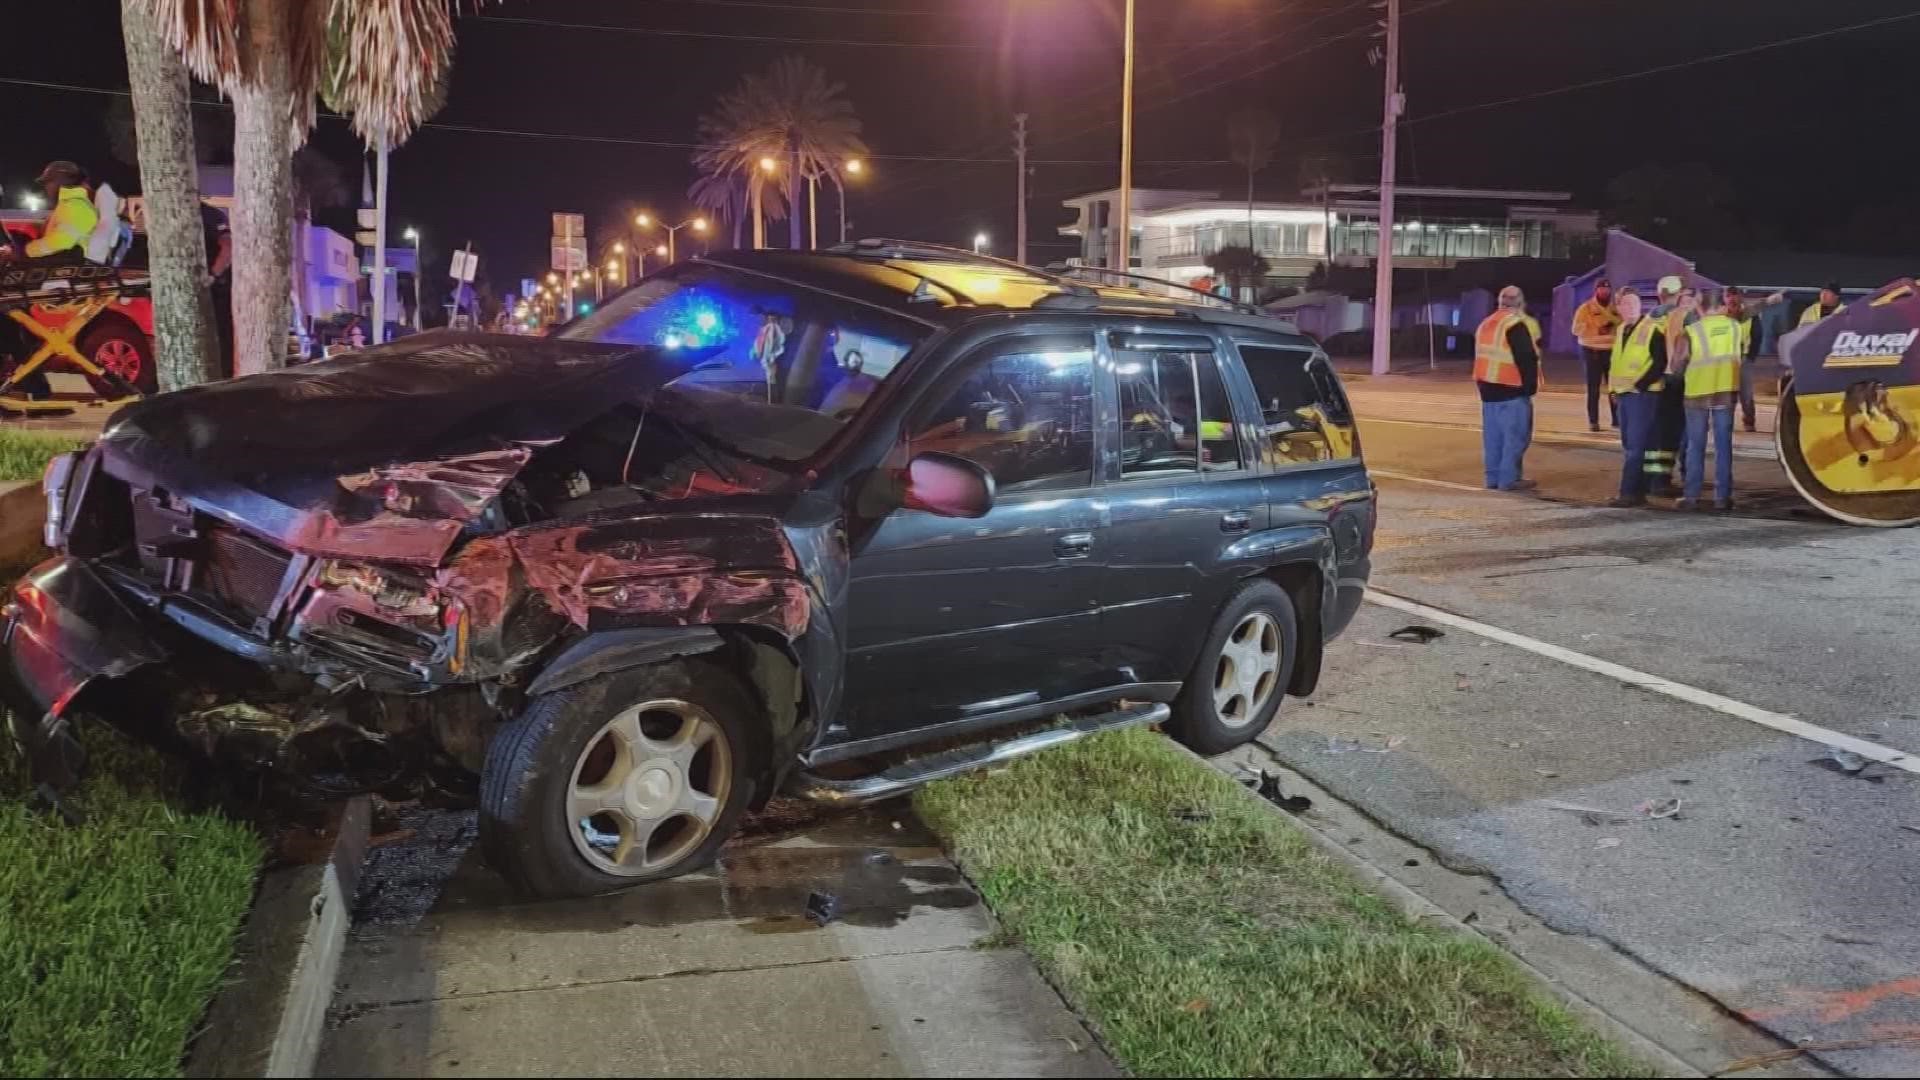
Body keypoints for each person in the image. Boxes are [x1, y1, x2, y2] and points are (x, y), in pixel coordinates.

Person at [1675, 290, 1742, 511]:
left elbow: (1677, 365)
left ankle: (1691, 496)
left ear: (1700, 306)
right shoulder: (1735, 327)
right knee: (1724, 446)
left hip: (1697, 395)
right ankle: (1722, 497)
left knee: (1696, 446)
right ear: (1722, 305)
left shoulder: (1692, 331)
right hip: (1725, 392)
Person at [1472, 285, 1542, 491]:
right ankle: (1509, 479)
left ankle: (1492, 478)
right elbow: (1526, 359)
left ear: (1500, 302)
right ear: (1519, 303)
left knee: (1493, 439)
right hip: (1512, 390)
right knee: (1515, 438)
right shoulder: (1514, 325)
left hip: (1487, 391)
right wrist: (1530, 389)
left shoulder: (1486, 324)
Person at [1606, 288, 1667, 507]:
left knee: (1635, 446)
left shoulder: (1652, 330)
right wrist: (1613, 390)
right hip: (1624, 395)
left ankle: (1628, 493)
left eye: (1634, 304)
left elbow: (1660, 362)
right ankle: (1640, 490)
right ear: (1619, 308)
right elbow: (1616, 363)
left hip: (1643, 395)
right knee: (1632, 444)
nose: (1630, 308)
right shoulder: (1622, 329)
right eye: (1626, 305)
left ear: (1640, 306)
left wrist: (1640, 385)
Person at [1648, 276, 1696, 495]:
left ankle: (1656, 479)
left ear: (1660, 294)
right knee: (1680, 433)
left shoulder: (1647, 318)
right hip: (1679, 380)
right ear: (1678, 294)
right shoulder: (1684, 317)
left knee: (1658, 435)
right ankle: (1684, 477)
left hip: (1652, 382)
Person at [18, 161, 98, 263]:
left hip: (69, 272)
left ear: (60, 181)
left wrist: (26, 251)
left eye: (48, 182)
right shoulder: (68, 205)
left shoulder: (74, 205)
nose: (46, 188)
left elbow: (62, 241)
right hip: (67, 270)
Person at [1571, 277, 1621, 431]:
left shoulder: (1615, 309)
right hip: (1592, 352)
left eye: (1607, 289)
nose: (1605, 291)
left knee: (1614, 388)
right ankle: (1593, 421)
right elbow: (1575, 330)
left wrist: (1612, 325)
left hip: (1611, 352)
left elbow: (1623, 325)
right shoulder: (1585, 309)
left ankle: (1616, 420)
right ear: (1596, 290)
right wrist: (1596, 328)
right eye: (1601, 288)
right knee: (1593, 388)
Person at [201, 200, 234, 376]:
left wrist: (213, 275)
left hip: (215, 289)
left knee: (220, 340)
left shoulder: (210, 215)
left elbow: (227, 248)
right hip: (208, 286)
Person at [1727, 288, 1764, 432]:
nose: (1732, 300)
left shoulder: (1750, 315)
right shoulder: (1723, 315)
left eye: (1734, 296)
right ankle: (1727, 422)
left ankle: (1749, 420)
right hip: (1728, 359)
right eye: (1729, 297)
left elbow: (1757, 336)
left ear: (1740, 298)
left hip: (1744, 358)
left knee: (1746, 393)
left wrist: (1750, 357)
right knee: (1728, 392)